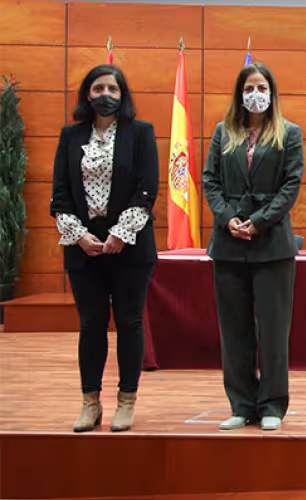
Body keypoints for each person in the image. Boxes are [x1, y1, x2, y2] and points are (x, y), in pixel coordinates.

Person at [51, 64, 158, 433]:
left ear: (122, 93)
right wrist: (79, 235)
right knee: (91, 325)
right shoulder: (70, 135)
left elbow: (147, 189)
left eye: (112, 88)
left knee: (129, 323)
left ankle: (126, 401)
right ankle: (90, 403)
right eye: (98, 88)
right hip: (83, 246)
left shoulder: (140, 133)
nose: (105, 94)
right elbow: (60, 194)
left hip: (130, 245)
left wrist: (120, 234)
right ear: (87, 94)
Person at [203, 63, 304, 431]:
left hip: (272, 245)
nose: (255, 93)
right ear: (239, 94)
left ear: (272, 92)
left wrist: (258, 221)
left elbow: (290, 187)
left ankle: (273, 405)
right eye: (249, 88)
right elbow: (210, 181)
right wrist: (228, 218)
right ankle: (241, 403)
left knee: (273, 330)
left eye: (262, 87)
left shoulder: (289, 133)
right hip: (229, 245)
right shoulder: (222, 132)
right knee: (235, 330)